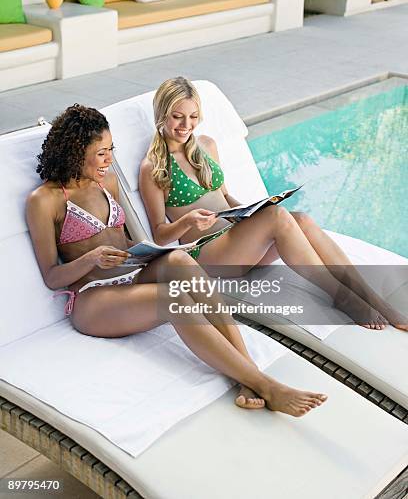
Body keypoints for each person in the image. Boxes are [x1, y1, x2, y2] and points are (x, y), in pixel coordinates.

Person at [26, 104, 327, 415]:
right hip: (93, 298)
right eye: (101, 153)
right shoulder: (44, 201)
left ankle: (247, 375)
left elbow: (126, 239)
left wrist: (147, 252)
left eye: (111, 150)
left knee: (182, 262)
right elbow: (51, 276)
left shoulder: (107, 183)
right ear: (76, 151)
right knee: (175, 298)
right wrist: (91, 259)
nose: (109, 159)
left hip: (131, 275)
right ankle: (267, 386)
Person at [140, 77, 408, 332]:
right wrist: (187, 221)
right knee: (278, 217)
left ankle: (371, 296)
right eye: (178, 116)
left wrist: (253, 210)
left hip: (237, 240)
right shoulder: (153, 167)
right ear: (162, 114)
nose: (186, 125)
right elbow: (159, 234)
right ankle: (342, 297)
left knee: (300, 219)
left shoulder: (207, 145)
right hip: (208, 255)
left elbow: (225, 197)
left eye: (193, 116)